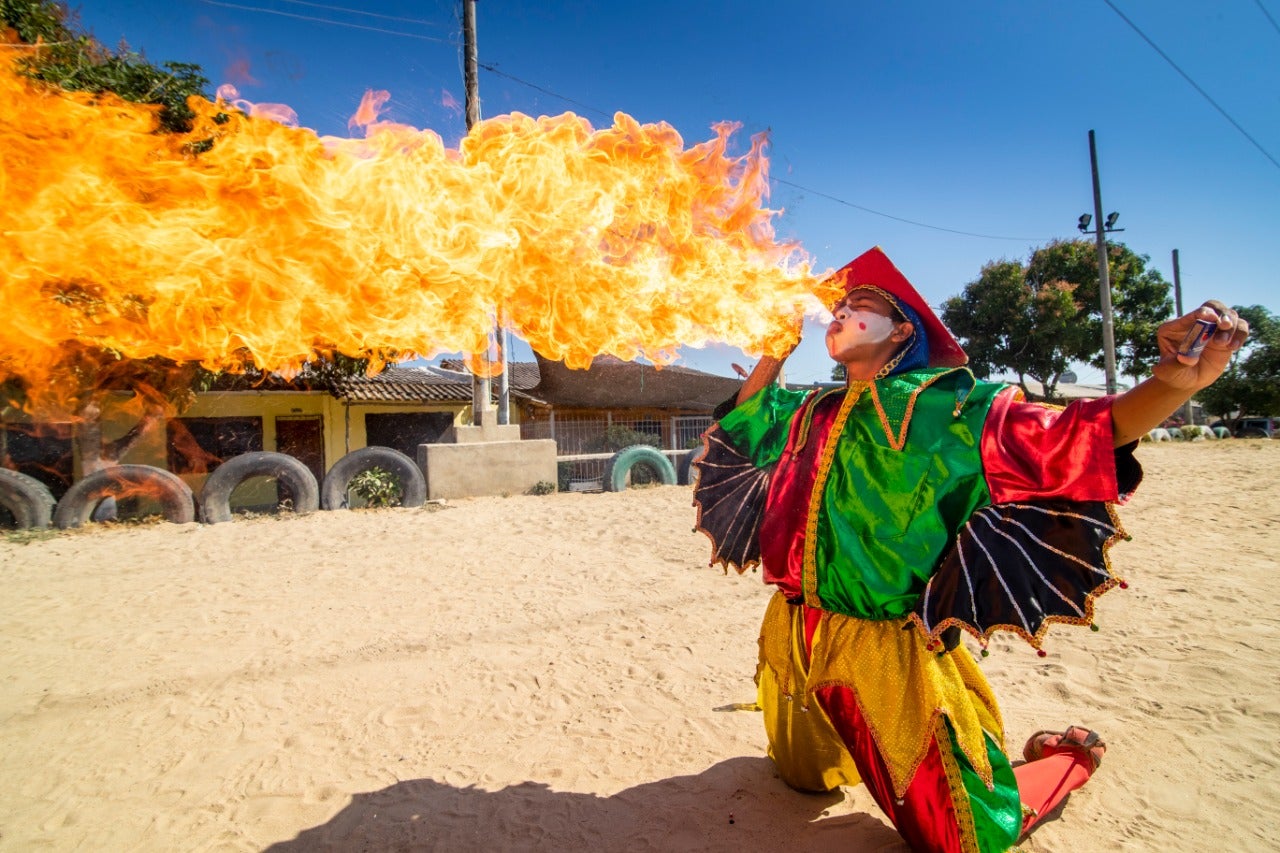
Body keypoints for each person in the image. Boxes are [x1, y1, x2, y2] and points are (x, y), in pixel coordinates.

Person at [692, 247, 1247, 853]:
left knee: (964, 837)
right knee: (803, 779)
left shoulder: (952, 407)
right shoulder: (812, 410)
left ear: (901, 331)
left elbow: (1079, 435)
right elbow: (746, 419)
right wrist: (775, 350)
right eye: (839, 307)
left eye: (861, 304)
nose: (841, 312)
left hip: (883, 649)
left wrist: (1171, 384)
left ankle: (1066, 758)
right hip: (791, 629)